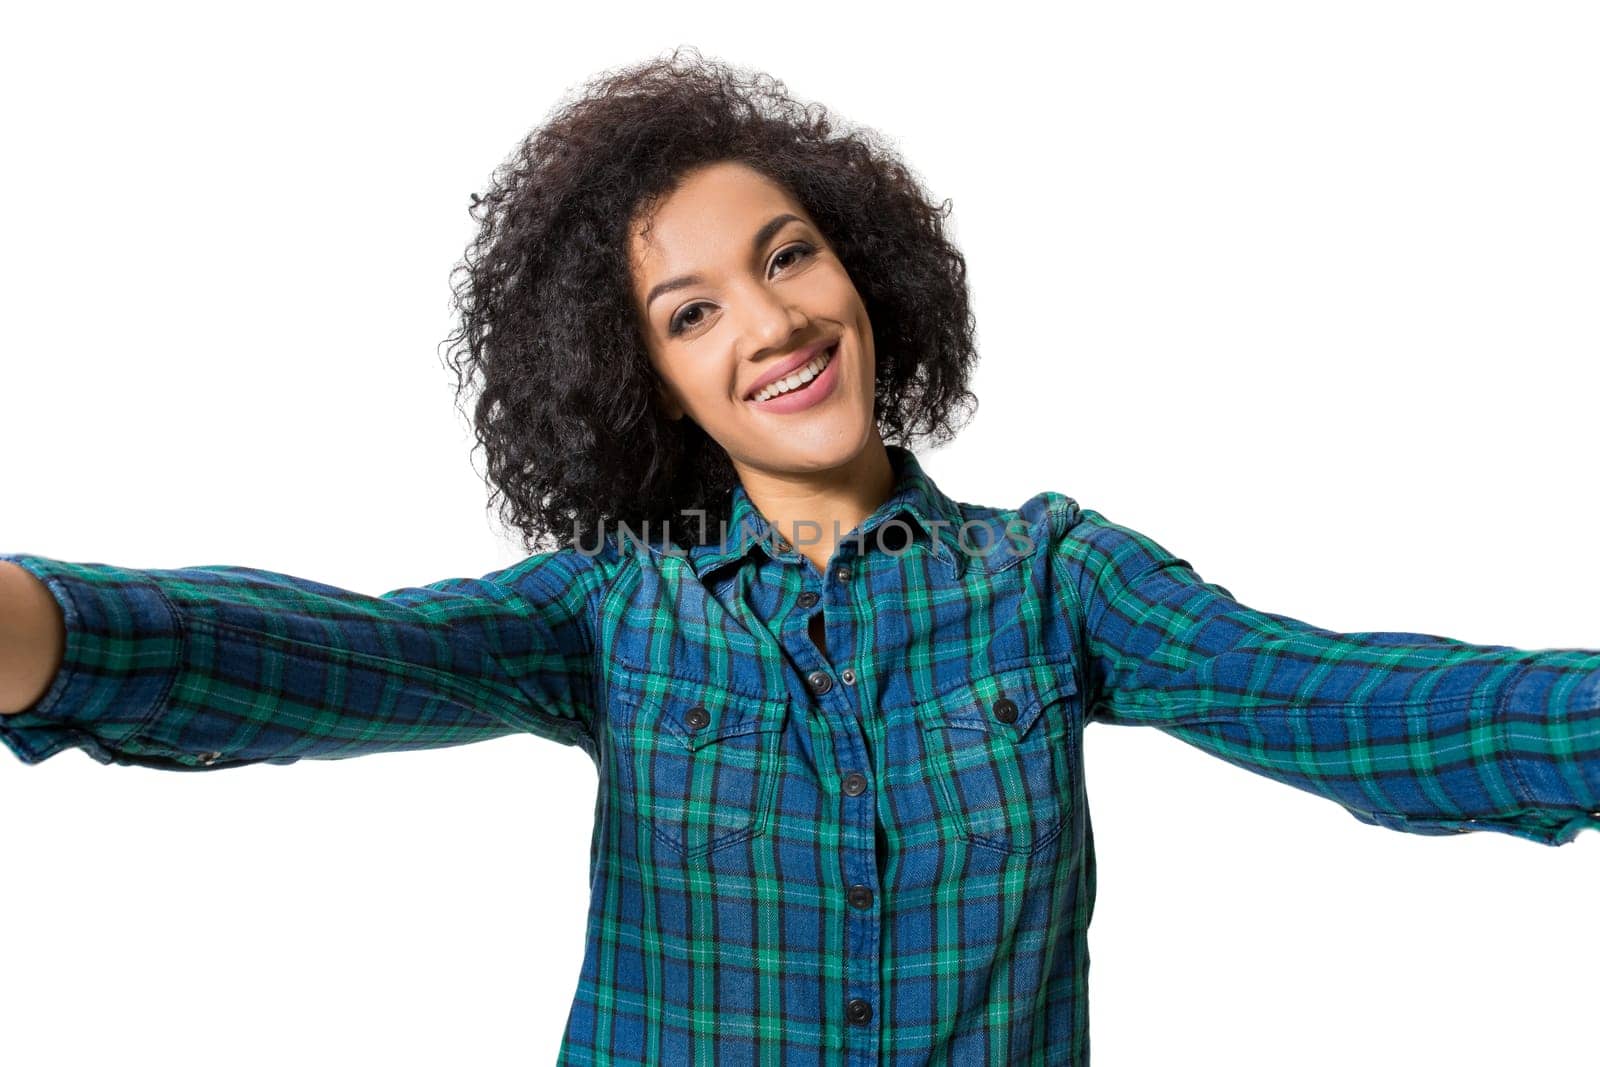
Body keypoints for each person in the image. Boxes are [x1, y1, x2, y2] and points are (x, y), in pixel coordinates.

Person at [2, 46, 1597, 1065]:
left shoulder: (1055, 583)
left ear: (863, 267)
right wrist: (44, 629)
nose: (770, 325)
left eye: (789, 258)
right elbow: (341, 657)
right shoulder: (613, 612)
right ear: (642, 375)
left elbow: (1336, 699)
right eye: (691, 312)